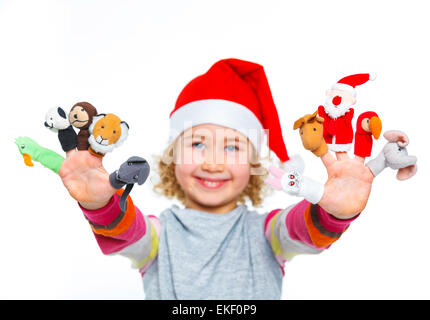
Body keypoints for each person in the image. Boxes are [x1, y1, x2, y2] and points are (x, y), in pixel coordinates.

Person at [58, 59, 374, 299]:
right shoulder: (157, 237)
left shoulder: (268, 235)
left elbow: (305, 230)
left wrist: (334, 212)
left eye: (232, 147)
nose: (212, 161)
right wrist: (102, 203)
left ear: (253, 164)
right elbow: (127, 231)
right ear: (173, 158)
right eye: (197, 143)